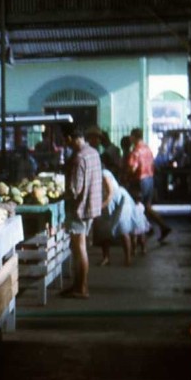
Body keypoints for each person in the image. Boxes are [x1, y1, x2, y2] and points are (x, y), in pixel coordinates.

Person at [62, 125, 102, 298]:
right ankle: (77, 285)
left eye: (67, 141)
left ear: (70, 138)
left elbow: (74, 189)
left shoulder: (78, 158)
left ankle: (82, 288)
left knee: (79, 249)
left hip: (80, 209)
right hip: (91, 207)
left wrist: (62, 194)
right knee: (81, 247)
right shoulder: (93, 153)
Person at [126, 128, 171, 243]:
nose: (130, 139)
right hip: (150, 179)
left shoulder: (136, 151)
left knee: (137, 207)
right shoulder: (147, 149)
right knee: (147, 206)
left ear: (134, 137)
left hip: (139, 181)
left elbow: (132, 168)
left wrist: (126, 175)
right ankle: (160, 226)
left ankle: (145, 232)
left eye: (131, 137)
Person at [92, 153, 137, 267]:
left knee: (122, 228)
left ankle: (128, 258)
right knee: (103, 230)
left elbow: (110, 193)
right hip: (107, 202)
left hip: (118, 202)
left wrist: (100, 206)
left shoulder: (104, 173)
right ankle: (106, 258)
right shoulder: (96, 174)